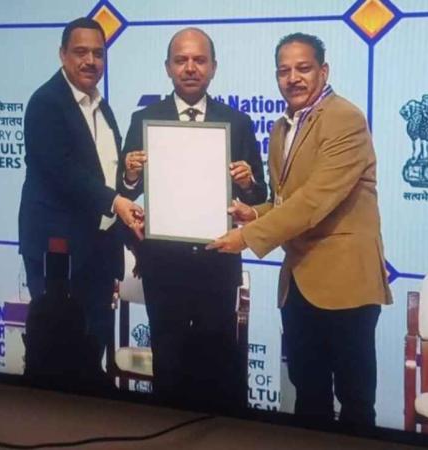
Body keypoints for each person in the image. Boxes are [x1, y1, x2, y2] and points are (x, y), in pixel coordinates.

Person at [207, 32, 392, 426]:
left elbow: (316, 199)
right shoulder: (280, 127)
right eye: (284, 71)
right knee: (308, 394)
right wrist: (254, 213)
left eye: (303, 68)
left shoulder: (344, 118)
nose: (293, 78)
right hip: (298, 282)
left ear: (323, 71)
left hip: (346, 283)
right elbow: (285, 201)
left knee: (355, 401)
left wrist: (248, 237)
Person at [120, 27, 267, 412]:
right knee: (167, 362)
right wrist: (131, 175)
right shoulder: (144, 119)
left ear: (213, 67)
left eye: (199, 60)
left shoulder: (237, 121)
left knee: (217, 364)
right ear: (167, 67)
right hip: (163, 267)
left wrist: (248, 183)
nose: (190, 68)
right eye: (181, 60)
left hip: (217, 263)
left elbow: (259, 198)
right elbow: (125, 193)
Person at [18, 17, 143, 387]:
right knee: (56, 355)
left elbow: (105, 175)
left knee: (93, 348)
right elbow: (62, 172)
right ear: (62, 55)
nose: (90, 61)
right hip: (58, 251)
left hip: (100, 251)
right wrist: (115, 201)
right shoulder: (46, 103)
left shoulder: (102, 107)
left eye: (98, 54)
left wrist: (128, 181)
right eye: (81, 52)